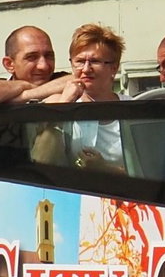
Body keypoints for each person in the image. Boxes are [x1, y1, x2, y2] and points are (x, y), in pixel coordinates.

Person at [37, 23, 128, 170]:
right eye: (79, 61)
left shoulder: (132, 108)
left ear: (114, 67)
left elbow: (148, 173)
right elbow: (41, 162)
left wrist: (105, 169)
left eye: (95, 61)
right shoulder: (58, 103)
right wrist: (63, 107)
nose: (86, 69)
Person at [0, 26, 66, 110]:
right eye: (32, 57)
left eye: (49, 56)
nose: (44, 66)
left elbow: (77, 80)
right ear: (9, 64)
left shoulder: (61, 80)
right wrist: (24, 85)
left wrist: (24, 96)